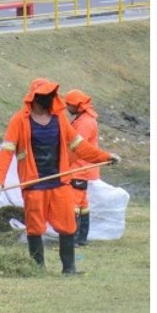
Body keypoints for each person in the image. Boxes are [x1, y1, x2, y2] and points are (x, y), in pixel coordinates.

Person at [0, 78, 120, 274]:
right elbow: (6, 152)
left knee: (68, 225)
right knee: (35, 228)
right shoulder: (19, 120)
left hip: (60, 182)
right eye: (45, 96)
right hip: (34, 184)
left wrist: (105, 156)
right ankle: (38, 269)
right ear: (34, 98)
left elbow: (80, 147)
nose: (50, 99)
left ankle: (69, 268)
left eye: (52, 95)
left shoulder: (60, 119)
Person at [64, 88, 101, 247]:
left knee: (74, 203)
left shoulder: (84, 123)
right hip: (83, 167)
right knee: (82, 202)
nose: (67, 108)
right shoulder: (84, 118)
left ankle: (73, 239)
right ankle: (82, 238)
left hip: (79, 168)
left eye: (69, 105)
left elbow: (77, 147)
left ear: (77, 106)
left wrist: (64, 163)